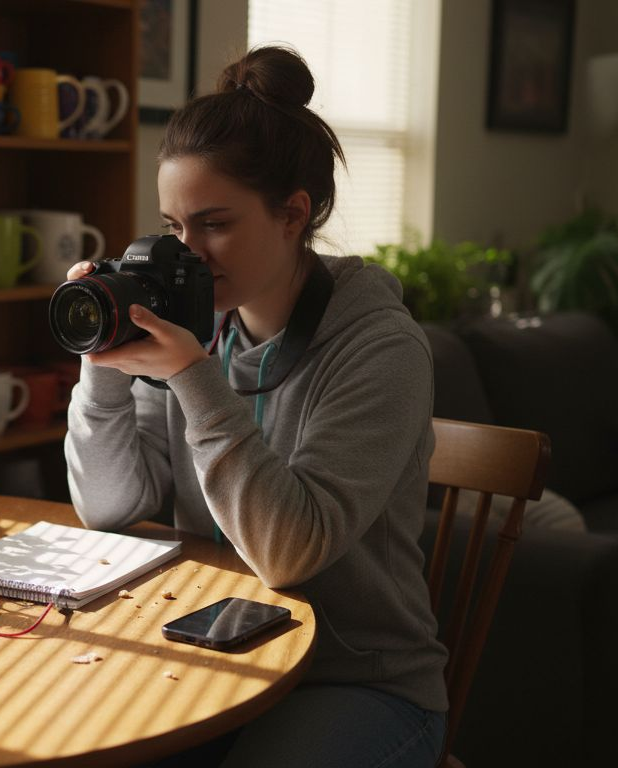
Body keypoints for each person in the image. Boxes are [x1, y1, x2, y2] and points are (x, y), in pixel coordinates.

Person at [63, 46, 448, 768]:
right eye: (174, 226)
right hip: (212, 653)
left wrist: (195, 377)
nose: (187, 254)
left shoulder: (380, 348)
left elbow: (286, 550)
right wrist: (104, 365)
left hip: (356, 678)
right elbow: (109, 507)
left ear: (292, 214)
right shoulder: (197, 323)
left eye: (213, 224)